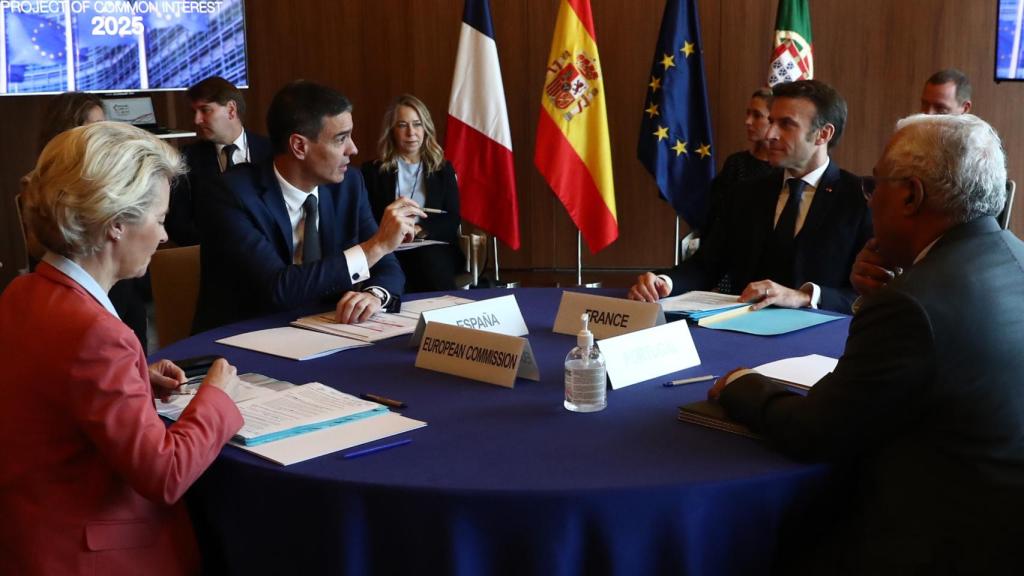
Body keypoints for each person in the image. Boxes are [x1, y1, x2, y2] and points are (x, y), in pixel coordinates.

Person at [710, 113, 1024, 573]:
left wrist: (741, 384)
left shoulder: (914, 305)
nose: (870, 199)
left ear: (911, 195)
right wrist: (884, 292)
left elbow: (814, 433)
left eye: (875, 184)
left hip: (932, 540)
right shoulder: (1011, 254)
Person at [0, 122, 244, 575]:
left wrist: (134, 379)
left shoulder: (22, 292)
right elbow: (165, 475)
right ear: (115, 224)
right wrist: (216, 397)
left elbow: (48, 395)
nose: (165, 236)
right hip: (96, 555)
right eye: (160, 219)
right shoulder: (97, 333)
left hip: (27, 538)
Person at [193, 80, 419, 333]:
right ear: (299, 146)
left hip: (329, 332)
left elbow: (385, 264)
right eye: (341, 138)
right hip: (246, 339)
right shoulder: (230, 194)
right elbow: (277, 288)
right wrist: (374, 247)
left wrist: (374, 295)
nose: (353, 149)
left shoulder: (348, 184)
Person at [628, 79, 871, 313]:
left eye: (786, 124)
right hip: (743, 339)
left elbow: (869, 295)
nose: (770, 134)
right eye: (771, 121)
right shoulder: (746, 193)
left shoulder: (861, 200)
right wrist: (663, 283)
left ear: (823, 134)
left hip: (822, 344)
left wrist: (805, 296)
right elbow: (705, 266)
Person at [33, 91, 151, 349]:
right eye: (96, 128)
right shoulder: (43, 188)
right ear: (69, 133)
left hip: (121, 287)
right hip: (80, 286)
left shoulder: (112, 179)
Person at [361, 94, 464, 292]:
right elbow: (366, 218)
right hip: (389, 247)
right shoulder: (372, 172)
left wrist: (419, 231)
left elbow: (452, 219)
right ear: (392, 131)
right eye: (402, 125)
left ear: (425, 128)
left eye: (417, 124)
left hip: (433, 247)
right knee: (390, 267)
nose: (411, 132)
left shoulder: (443, 170)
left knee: (429, 261)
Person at [166, 76, 272, 246]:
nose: (197, 120)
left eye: (205, 110)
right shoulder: (187, 158)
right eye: (194, 112)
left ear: (231, 110)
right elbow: (178, 223)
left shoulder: (271, 152)